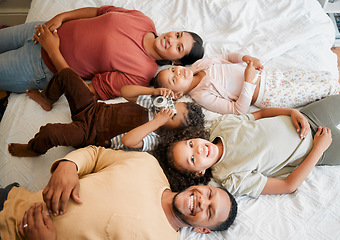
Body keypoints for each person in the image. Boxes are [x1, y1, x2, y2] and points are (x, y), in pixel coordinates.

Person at [7, 25, 204, 157]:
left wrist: (157, 122)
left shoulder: (154, 138)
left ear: (174, 132)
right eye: (172, 106)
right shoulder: (152, 106)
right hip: (93, 109)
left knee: (51, 132)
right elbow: (126, 91)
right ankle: (47, 98)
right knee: (67, 75)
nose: (166, 111)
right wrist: (153, 92)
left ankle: (34, 149)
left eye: (171, 115)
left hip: (89, 135)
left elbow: (129, 139)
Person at [0, 146, 238, 239]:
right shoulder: (147, 164)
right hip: (11, 200)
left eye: (209, 210)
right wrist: (68, 165)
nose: (201, 200)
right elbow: (95, 155)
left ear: (202, 230)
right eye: (209, 194)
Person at [0, 6, 204, 100]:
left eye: (178, 47)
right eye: (178, 34)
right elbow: (98, 12)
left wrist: (53, 50)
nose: (172, 39)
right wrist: (62, 16)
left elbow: (87, 92)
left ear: (176, 63)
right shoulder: (143, 20)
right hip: (42, 29)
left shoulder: (141, 75)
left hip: (40, 66)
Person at [154, 94, 340, 198]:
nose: (199, 149)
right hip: (318, 148)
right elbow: (287, 185)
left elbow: (262, 114)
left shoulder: (221, 125)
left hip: (307, 117)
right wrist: (319, 149)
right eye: (193, 158)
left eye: (191, 144)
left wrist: (292, 112)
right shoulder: (230, 177)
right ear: (198, 173)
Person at [152, 53, 340, 114]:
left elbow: (226, 56)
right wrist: (248, 82)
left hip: (271, 76)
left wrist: (245, 57)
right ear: (176, 95)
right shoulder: (200, 95)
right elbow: (238, 110)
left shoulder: (199, 65)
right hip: (268, 95)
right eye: (174, 79)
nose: (178, 73)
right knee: (321, 91)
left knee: (321, 77)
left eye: (173, 70)